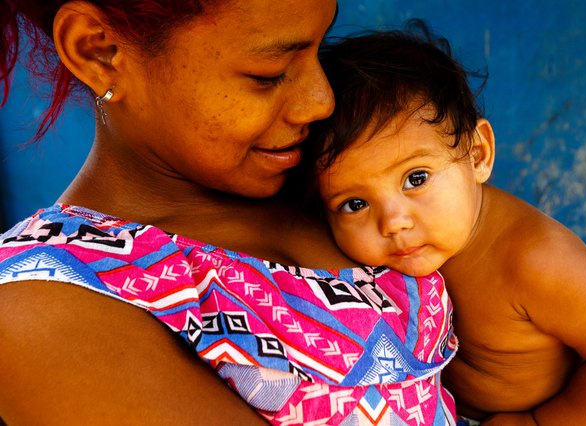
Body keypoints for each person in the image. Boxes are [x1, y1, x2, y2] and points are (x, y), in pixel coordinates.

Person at [0, 2, 460, 425]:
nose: (321, 101)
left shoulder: (337, 181)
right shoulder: (41, 307)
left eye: (319, 50)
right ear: (99, 50)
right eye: (270, 73)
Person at [300, 19, 586, 425]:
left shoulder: (534, 259)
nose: (392, 222)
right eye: (355, 203)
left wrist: (537, 423)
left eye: (416, 179)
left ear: (477, 155)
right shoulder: (360, 257)